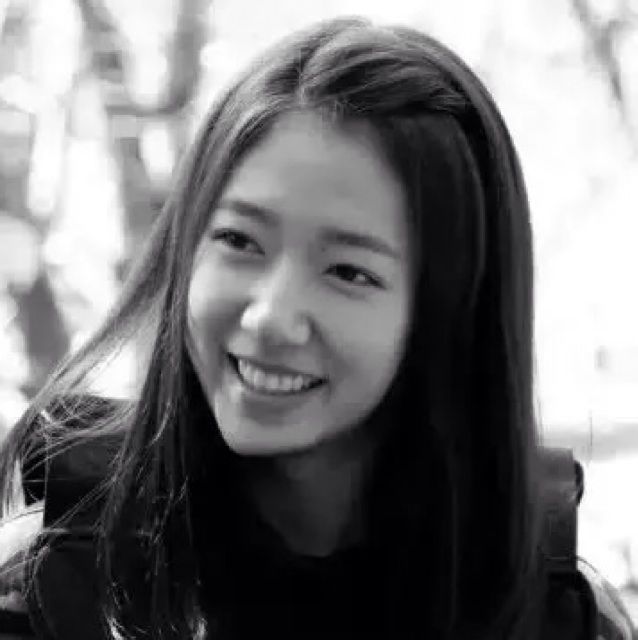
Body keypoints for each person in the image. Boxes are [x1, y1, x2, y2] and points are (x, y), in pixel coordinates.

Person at [0, 15, 635, 640]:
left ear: (448, 314)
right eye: (239, 240)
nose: (269, 317)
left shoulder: (561, 619)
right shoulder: (51, 588)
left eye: (349, 272)